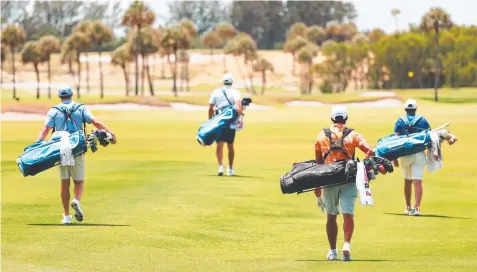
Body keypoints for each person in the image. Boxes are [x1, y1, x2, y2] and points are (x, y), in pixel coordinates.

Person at [37, 85, 117, 224]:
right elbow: (96, 122)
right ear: (72, 94)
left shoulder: (54, 110)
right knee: (79, 181)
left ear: (59, 96)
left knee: (64, 183)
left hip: (60, 148)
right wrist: (111, 133)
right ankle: (76, 200)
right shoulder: (81, 108)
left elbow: (45, 130)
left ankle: (67, 216)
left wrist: (36, 146)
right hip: (77, 147)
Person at [314, 105, 375, 261]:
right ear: (346, 119)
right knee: (348, 213)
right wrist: (365, 164)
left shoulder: (321, 135)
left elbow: (319, 162)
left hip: (329, 178)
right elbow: (370, 151)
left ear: (332, 119)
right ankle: (346, 244)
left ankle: (333, 251)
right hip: (349, 178)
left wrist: (317, 185)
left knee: (331, 215)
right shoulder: (353, 135)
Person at [393, 99, 431, 216]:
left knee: (407, 181)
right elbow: (429, 138)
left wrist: (394, 157)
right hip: (419, 154)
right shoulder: (423, 120)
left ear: (405, 110)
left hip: (404, 155)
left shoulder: (400, 121)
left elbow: (395, 141)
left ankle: (408, 207)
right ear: (415, 109)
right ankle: (417, 208)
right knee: (417, 182)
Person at [208, 73, 243, 176]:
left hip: (219, 121)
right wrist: (240, 117)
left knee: (219, 144)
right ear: (232, 82)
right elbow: (238, 106)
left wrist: (210, 121)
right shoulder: (236, 92)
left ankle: (220, 167)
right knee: (230, 145)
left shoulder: (216, 92)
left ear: (223, 82)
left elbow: (210, 108)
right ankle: (230, 168)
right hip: (230, 121)